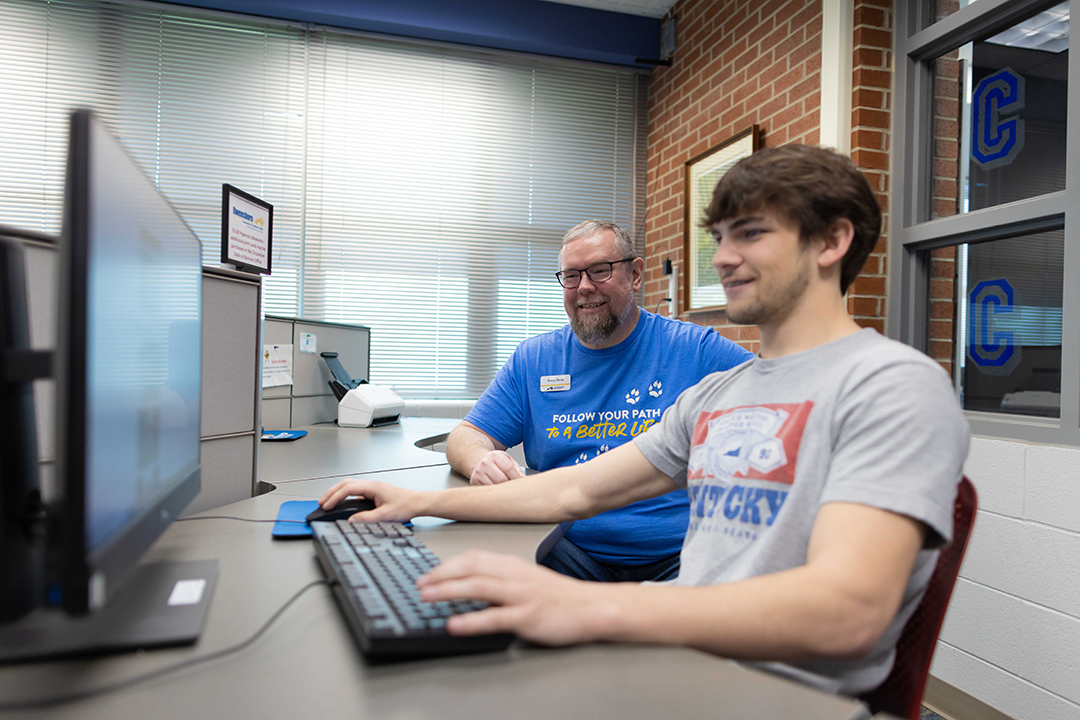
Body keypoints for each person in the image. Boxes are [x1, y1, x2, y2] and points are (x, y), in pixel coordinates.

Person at [319, 145, 970, 696]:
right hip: (685, 656)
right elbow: (576, 489)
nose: (721, 258)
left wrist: (586, 606)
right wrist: (418, 499)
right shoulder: (719, 393)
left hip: (773, 692)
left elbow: (848, 612)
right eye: (720, 238)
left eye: (751, 233)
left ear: (832, 241)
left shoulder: (893, 386)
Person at [445, 219, 752, 582]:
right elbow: (465, 435)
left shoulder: (696, 351)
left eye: (600, 271)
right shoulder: (534, 359)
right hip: (566, 550)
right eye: (571, 276)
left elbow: (782, 392)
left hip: (678, 557)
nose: (585, 287)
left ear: (635, 274)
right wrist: (481, 459)